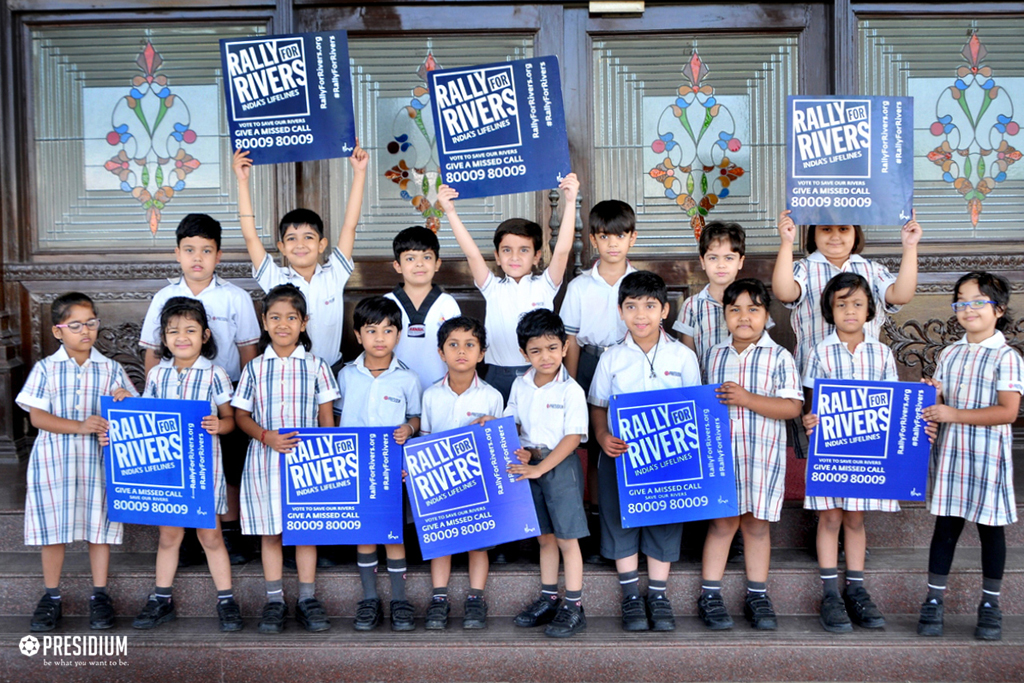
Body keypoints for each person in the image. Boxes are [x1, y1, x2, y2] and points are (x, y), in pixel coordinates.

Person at [138, 213, 260, 565]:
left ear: (218, 255)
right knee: (180, 468)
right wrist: (155, 406)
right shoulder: (164, 297)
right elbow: (152, 352)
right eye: (189, 250)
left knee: (228, 466)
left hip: (225, 397)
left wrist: (245, 402)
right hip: (174, 399)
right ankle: (188, 537)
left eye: (206, 251)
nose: (197, 258)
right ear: (177, 253)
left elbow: (248, 352)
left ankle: (229, 532)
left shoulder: (235, 297)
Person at [589, 271, 702, 632]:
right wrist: (602, 435)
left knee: (664, 520)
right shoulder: (611, 358)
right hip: (621, 456)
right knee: (620, 518)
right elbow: (598, 405)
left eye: (650, 306)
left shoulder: (683, 356)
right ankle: (630, 596)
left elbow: (695, 405)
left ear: (665, 310)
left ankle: (657, 594)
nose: (641, 315)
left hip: (668, 456)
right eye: (631, 306)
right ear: (620, 311)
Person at [21, 293, 138, 632]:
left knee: (98, 529)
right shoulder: (46, 368)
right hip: (54, 461)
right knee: (53, 530)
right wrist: (80, 426)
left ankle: (100, 594)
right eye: (75, 325)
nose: (85, 331)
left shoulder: (110, 368)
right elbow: (38, 418)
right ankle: (51, 596)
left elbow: (132, 412)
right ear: (58, 331)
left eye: (91, 323)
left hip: (97, 462)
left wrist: (125, 400)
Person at [918, 271, 1022, 642]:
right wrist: (933, 396)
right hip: (952, 457)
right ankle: (933, 600)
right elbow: (942, 403)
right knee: (945, 529)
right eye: (961, 302)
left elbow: (1008, 412)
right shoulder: (950, 353)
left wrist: (953, 414)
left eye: (978, 301)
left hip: (987, 460)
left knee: (991, 532)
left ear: (999, 310)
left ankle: (991, 604)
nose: (968, 308)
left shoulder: (1007, 357)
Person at [232, 285, 340, 633]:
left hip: (307, 463)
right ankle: (274, 600)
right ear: (264, 322)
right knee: (271, 533)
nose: (283, 324)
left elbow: (327, 419)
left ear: (304, 323)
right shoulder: (254, 369)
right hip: (264, 460)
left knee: (305, 530)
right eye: (275, 317)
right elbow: (241, 416)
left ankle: (307, 598)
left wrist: (325, 458)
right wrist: (267, 436)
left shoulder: (317, 366)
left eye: (291, 318)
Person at [130, 298, 242, 632]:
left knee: (211, 536)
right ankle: (161, 599)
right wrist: (124, 403)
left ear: (205, 335)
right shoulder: (157, 375)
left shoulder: (214, 374)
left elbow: (231, 419)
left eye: (190, 330)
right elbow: (145, 418)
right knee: (169, 536)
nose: (182, 337)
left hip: (203, 471)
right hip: (168, 471)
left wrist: (219, 425)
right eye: (173, 331)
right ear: (163, 338)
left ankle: (227, 600)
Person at [699, 279, 803, 631]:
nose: (744, 317)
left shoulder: (779, 356)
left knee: (757, 526)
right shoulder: (713, 355)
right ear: (725, 315)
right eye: (735, 310)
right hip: (721, 458)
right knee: (723, 523)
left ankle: (757, 594)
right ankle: (710, 595)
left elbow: (792, 407)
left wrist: (747, 399)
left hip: (761, 456)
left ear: (767, 314)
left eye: (753, 309)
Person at [801, 274, 899, 633]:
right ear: (830, 310)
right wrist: (809, 418)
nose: (850, 311)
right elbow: (811, 403)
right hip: (830, 451)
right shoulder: (820, 352)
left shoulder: (882, 353)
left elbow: (893, 403)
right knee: (829, 518)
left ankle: (856, 588)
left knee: (855, 518)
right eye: (841, 304)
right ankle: (830, 594)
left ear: (870, 309)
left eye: (857, 304)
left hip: (866, 452)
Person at [436, 173, 579, 403]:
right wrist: (450, 211)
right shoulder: (492, 287)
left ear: (537, 256)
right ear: (497, 257)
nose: (514, 257)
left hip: (538, 373)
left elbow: (562, 251)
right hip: (497, 375)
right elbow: (472, 254)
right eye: (506, 250)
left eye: (524, 250)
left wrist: (570, 201)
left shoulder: (545, 285)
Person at [233, 145, 368, 369]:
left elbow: (349, 226)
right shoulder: (276, 279)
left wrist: (360, 172)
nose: (300, 245)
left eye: (308, 237)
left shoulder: (334, 274)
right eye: (292, 239)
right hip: (289, 373)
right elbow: (250, 237)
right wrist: (242, 181)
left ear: (322, 245)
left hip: (331, 370)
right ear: (282, 247)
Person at [335, 296, 422, 632]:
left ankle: (399, 599)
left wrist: (409, 429)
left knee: (392, 533)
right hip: (356, 468)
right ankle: (369, 598)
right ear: (358, 335)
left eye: (388, 330)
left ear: (398, 335)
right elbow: (336, 418)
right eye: (372, 330)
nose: (380, 337)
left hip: (391, 471)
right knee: (365, 533)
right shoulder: (346, 375)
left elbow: (416, 417)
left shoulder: (408, 378)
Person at [501, 309, 589, 638]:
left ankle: (574, 605)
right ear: (524, 354)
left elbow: (572, 438)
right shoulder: (520, 384)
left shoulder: (571, 390)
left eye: (552, 348)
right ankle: (550, 598)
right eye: (535, 350)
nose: (545, 357)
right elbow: (513, 423)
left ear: (565, 347)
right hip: (530, 464)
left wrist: (540, 466)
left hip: (559, 466)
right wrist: (497, 429)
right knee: (544, 537)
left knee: (567, 538)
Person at [561, 199, 637, 559]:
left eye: (620, 236)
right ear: (593, 239)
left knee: (629, 444)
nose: (612, 244)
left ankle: (632, 519)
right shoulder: (580, 286)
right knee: (594, 447)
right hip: (591, 363)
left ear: (632, 238)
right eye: (604, 236)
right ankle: (594, 520)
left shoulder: (639, 283)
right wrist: (571, 384)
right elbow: (572, 339)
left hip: (630, 365)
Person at [420, 317, 504, 630]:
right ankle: (439, 598)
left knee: (478, 542)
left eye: (470, 345)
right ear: (441, 352)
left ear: (481, 353)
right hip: (440, 482)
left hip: (478, 482)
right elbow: (423, 441)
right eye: (453, 345)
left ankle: (475, 599)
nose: (461, 351)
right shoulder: (431, 395)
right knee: (441, 540)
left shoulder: (492, 396)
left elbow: (499, 444)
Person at [771, 210, 921, 374]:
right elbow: (784, 293)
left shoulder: (873, 270)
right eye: (826, 229)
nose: (835, 236)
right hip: (815, 370)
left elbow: (901, 296)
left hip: (866, 369)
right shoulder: (804, 268)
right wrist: (787, 243)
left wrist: (910, 246)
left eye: (843, 229)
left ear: (855, 233)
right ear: (814, 234)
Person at [385, 226, 461, 391]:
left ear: (437, 263)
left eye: (426, 257)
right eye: (410, 258)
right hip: (395, 390)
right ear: (397, 265)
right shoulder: (386, 303)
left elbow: (458, 348)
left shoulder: (447, 304)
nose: (419, 264)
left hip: (440, 389)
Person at [673, 221, 747, 365]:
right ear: (702, 261)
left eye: (729, 258)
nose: (721, 265)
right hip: (704, 379)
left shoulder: (753, 303)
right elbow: (688, 358)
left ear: (740, 262)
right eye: (713, 258)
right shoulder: (692, 306)